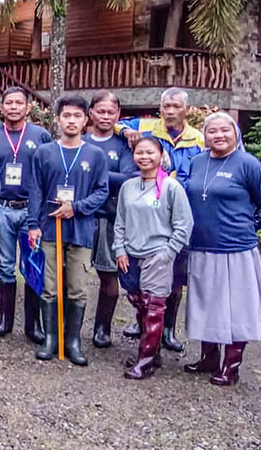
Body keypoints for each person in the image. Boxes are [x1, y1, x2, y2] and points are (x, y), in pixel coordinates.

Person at [183, 112, 261, 386]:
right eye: (212, 131)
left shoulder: (248, 164)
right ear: (205, 135)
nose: (218, 135)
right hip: (201, 244)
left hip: (236, 248)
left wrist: (247, 227)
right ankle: (209, 357)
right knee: (206, 302)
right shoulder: (197, 162)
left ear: (235, 134)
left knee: (235, 307)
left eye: (225, 130)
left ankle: (231, 366)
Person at [115, 87, 203, 350]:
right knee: (142, 277)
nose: (170, 111)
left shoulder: (198, 138)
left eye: (176, 106)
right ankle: (142, 323)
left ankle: (167, 329)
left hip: (180, 214)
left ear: (187, 109)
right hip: (150, 214)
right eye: (166, 106)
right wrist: (127, 132)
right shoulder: (149, 127)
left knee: (175, 280)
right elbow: (117, 123)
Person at [27, 96, 109, 365]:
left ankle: (72, 340)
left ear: (86, 119)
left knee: (77, 287)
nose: (71, 121)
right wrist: (33, 225)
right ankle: (51, 338)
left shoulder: (95, 155)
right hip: (50, 228)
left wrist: (77, 207)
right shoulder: (44, 152)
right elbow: (35, 190)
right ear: (58, 119)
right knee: (49, 287)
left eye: (77, 115)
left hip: (81, 229)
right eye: (66, 116)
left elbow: (102, 191)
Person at [113, 136, 192, 379]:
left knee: (154, 307)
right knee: (139, 304)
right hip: (131, 255)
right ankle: (152, 353)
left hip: (158, 255)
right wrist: (120, 250)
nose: (144, 157)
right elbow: (120, 222)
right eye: (140, 153)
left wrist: (168, 252)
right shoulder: (128, 186)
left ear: (160, 156)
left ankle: (145, 360)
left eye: (150, 153)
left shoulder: (171, 187)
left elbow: (184, 224)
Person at [0, 88, 52, 343]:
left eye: (19, 103)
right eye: (8, 102)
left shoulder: (40, 136)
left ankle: (33, 325)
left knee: (32, 266)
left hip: (31, 211)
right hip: (1, 209)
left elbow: (47, 174)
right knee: (4, 266)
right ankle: (4, 320)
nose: (13, 107)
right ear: (1, 108)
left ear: (28, 107)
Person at [85, 91, 135, 348]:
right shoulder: (80, 140)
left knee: (108, 275)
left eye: (110, 112)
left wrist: (94, 173)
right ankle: (68, 326)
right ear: (91, 113)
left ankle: (102, 328)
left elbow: (128, 177)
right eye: (100, 111)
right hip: (80, 217)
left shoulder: (122, 145)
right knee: (71, 275)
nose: (105, 116)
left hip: (110, 217)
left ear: (118, 115)